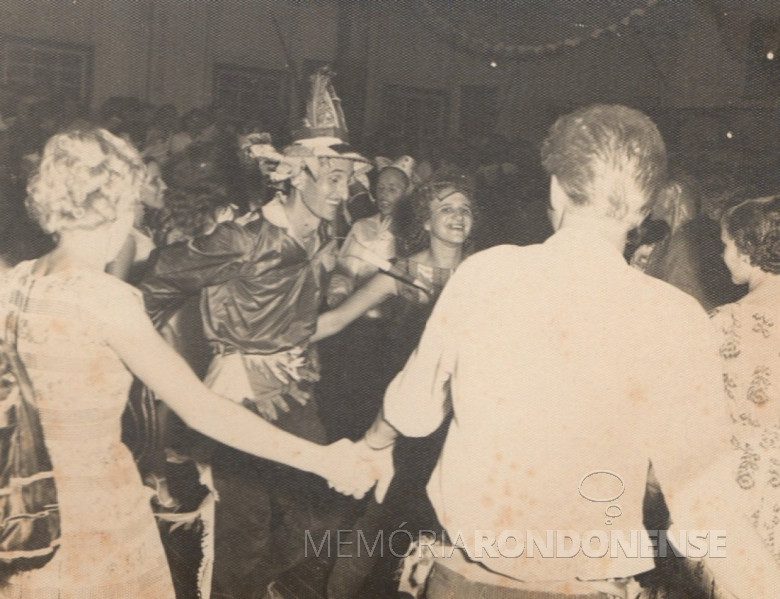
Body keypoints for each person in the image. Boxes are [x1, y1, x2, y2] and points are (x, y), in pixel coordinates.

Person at [357, 104, 780, 598]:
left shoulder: (485, 275)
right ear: (646, 208)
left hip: (466, 583)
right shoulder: (675, 317)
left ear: (556, 189)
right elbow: (703, 500)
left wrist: (371, 445)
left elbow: (413, 410)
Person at [0, 128, 374, 599]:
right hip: (94, 510)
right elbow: (203, 409)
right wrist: (321, 458)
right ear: (119, 206)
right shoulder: (108, 300)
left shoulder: (12, 281)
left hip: (25, 506)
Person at [140, 66, 374, 599]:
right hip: (239, 399)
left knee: (324, 511)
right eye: (332, 178)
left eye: (347, 179)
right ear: (297, 176)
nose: (344, 191)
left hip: (294, 392)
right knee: (242, 530)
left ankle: (261, 587)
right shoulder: (245, 239)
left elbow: (308, 318)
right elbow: (159, 278)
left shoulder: (320, 236)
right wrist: (149, 360)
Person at [315, 176, 475, 599]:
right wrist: (265, 342)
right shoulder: (401, 273)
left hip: (462, 419)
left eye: (464, 209)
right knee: (383, 514)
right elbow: (335, 320)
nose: (458, 216)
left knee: (439, 524)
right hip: (404, 416)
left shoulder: (483, 273)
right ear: (425, 219)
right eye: (447, 208)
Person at [711, 195, 780, 562]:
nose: (723, 256)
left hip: (743, 492)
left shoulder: (725, 322)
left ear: (745, 247)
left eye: (725, 244)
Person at [326, 155, 417, 308]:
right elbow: (343, 270)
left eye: (393, 189)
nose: (384, 194)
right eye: (380, 188)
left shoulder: (412, 233)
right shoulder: (361, 226)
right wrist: (341, 288)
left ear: (407, 192)